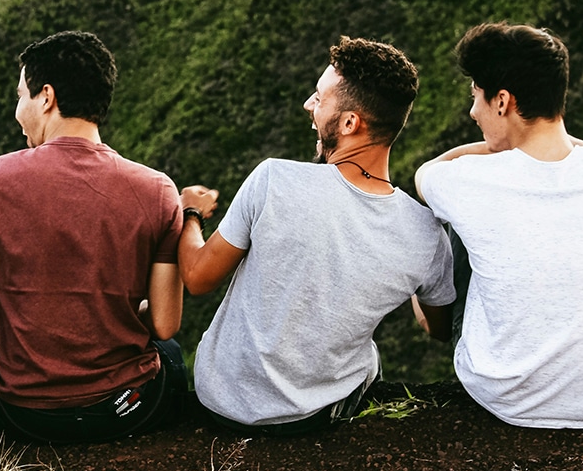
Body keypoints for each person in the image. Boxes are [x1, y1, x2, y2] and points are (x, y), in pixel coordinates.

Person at [179, 36, 455, 436]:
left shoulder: (273, 179)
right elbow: (439, 329)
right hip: (312, 418)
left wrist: (190, 213)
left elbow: (197, 278)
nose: (309, 105)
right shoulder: (426, 234)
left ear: (349, 123)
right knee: (369, 357)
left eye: (319, 98)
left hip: (220, 402)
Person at [414, 22, 583, 429]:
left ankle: (440, 328)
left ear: (502, 101)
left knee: (456, 220)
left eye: (476, 98)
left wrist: (496, 149)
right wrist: (576, 151)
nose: (472, 112)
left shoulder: (466, 179)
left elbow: (427, 174)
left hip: (502, 394)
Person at [0, 31, 187, 444]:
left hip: (23, 413)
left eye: (21, 95)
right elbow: (165, 324)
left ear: (46, 97)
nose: (17, 109)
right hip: (124, 410)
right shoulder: (158, 190)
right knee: (171, 354)